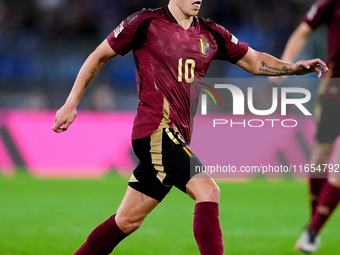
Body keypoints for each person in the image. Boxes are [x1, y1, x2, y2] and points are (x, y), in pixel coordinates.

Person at [52, 1, 328, 254]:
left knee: (127, 220)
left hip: (176, 135)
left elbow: (254, 61)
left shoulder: (211, 33)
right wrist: (71, 103)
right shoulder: (144, 22)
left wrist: (292, 68)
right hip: (155, 130)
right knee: (208, 191)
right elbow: (98, 55)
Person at [278, 0, 340, 253]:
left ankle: (312, 231)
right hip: (333, 90)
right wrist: (285, 63)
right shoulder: (330, 4)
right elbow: (303, 30)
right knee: (318, 161)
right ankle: (314, 226)